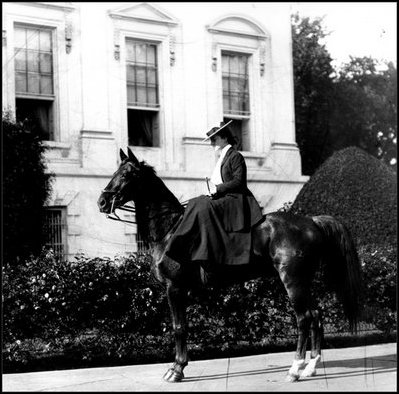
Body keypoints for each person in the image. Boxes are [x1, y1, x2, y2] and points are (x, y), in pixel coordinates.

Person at [163, 121, 264, 269]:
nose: (211, 143)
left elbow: (239, 182)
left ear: (224, 138)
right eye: (211, 140)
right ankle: (181, 245)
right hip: (225, 196)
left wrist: (218, 190)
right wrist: (213, 189)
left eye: (214, 139)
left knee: (203, 207)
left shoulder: (235, 156)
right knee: (195, 202)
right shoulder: (223, 157)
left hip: (236, 199)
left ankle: (206, 252)